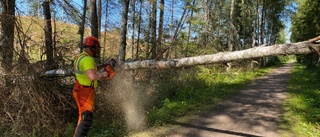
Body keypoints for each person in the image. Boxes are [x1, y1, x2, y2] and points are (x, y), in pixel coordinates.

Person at [72, 36, 115, 137]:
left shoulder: (81, 57)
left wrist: (104, 65)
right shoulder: (87, 59)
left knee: (82, 118)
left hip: (80, 89)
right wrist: (103, 74)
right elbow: (92, 76)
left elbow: (90, 69)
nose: (97, 51)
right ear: (92, 48)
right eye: (96, 49)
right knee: (86, 119)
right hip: (84, 92)